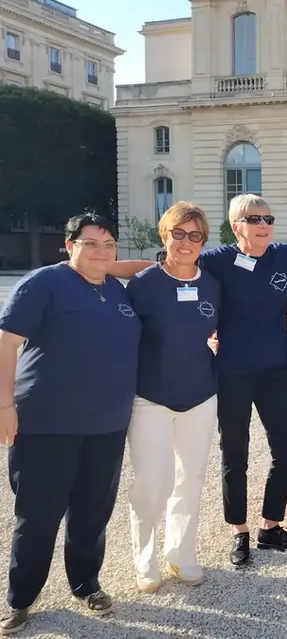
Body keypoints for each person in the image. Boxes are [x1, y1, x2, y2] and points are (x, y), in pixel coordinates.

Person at [112, 194, 287, 565]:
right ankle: (240, 531)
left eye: (268, 219)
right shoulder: (217, 259)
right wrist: (96, 266)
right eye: (254, 219)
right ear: (236, 226)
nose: (263, 225)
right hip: (232, 371)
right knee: (236, 455)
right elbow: (168, 265)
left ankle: (271, 525)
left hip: (277, 369)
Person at [0, 214, 141, 635]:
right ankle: (21, 599)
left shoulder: (115, 289)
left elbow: (158, 266)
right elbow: (7, 341)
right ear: (69, 244)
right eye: (91, 243)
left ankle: (86, 583)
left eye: (109, 244)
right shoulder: (43, 283)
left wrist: (110, 265)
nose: (101, 250)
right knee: (38, 515)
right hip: (47, 423)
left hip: (107, 424)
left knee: (92, 512)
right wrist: (5, 403)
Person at [125, 202, 221, 592]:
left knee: (191, 481)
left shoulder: (213, 284)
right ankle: (144, 559)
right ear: (164, 236)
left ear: (203, 241)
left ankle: (181, 555)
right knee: (152, 482)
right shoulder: (144, 284)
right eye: (178, 233)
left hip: (200, 395)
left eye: (194, 235)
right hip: (150, 398)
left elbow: (221, 329)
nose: (186, 242)